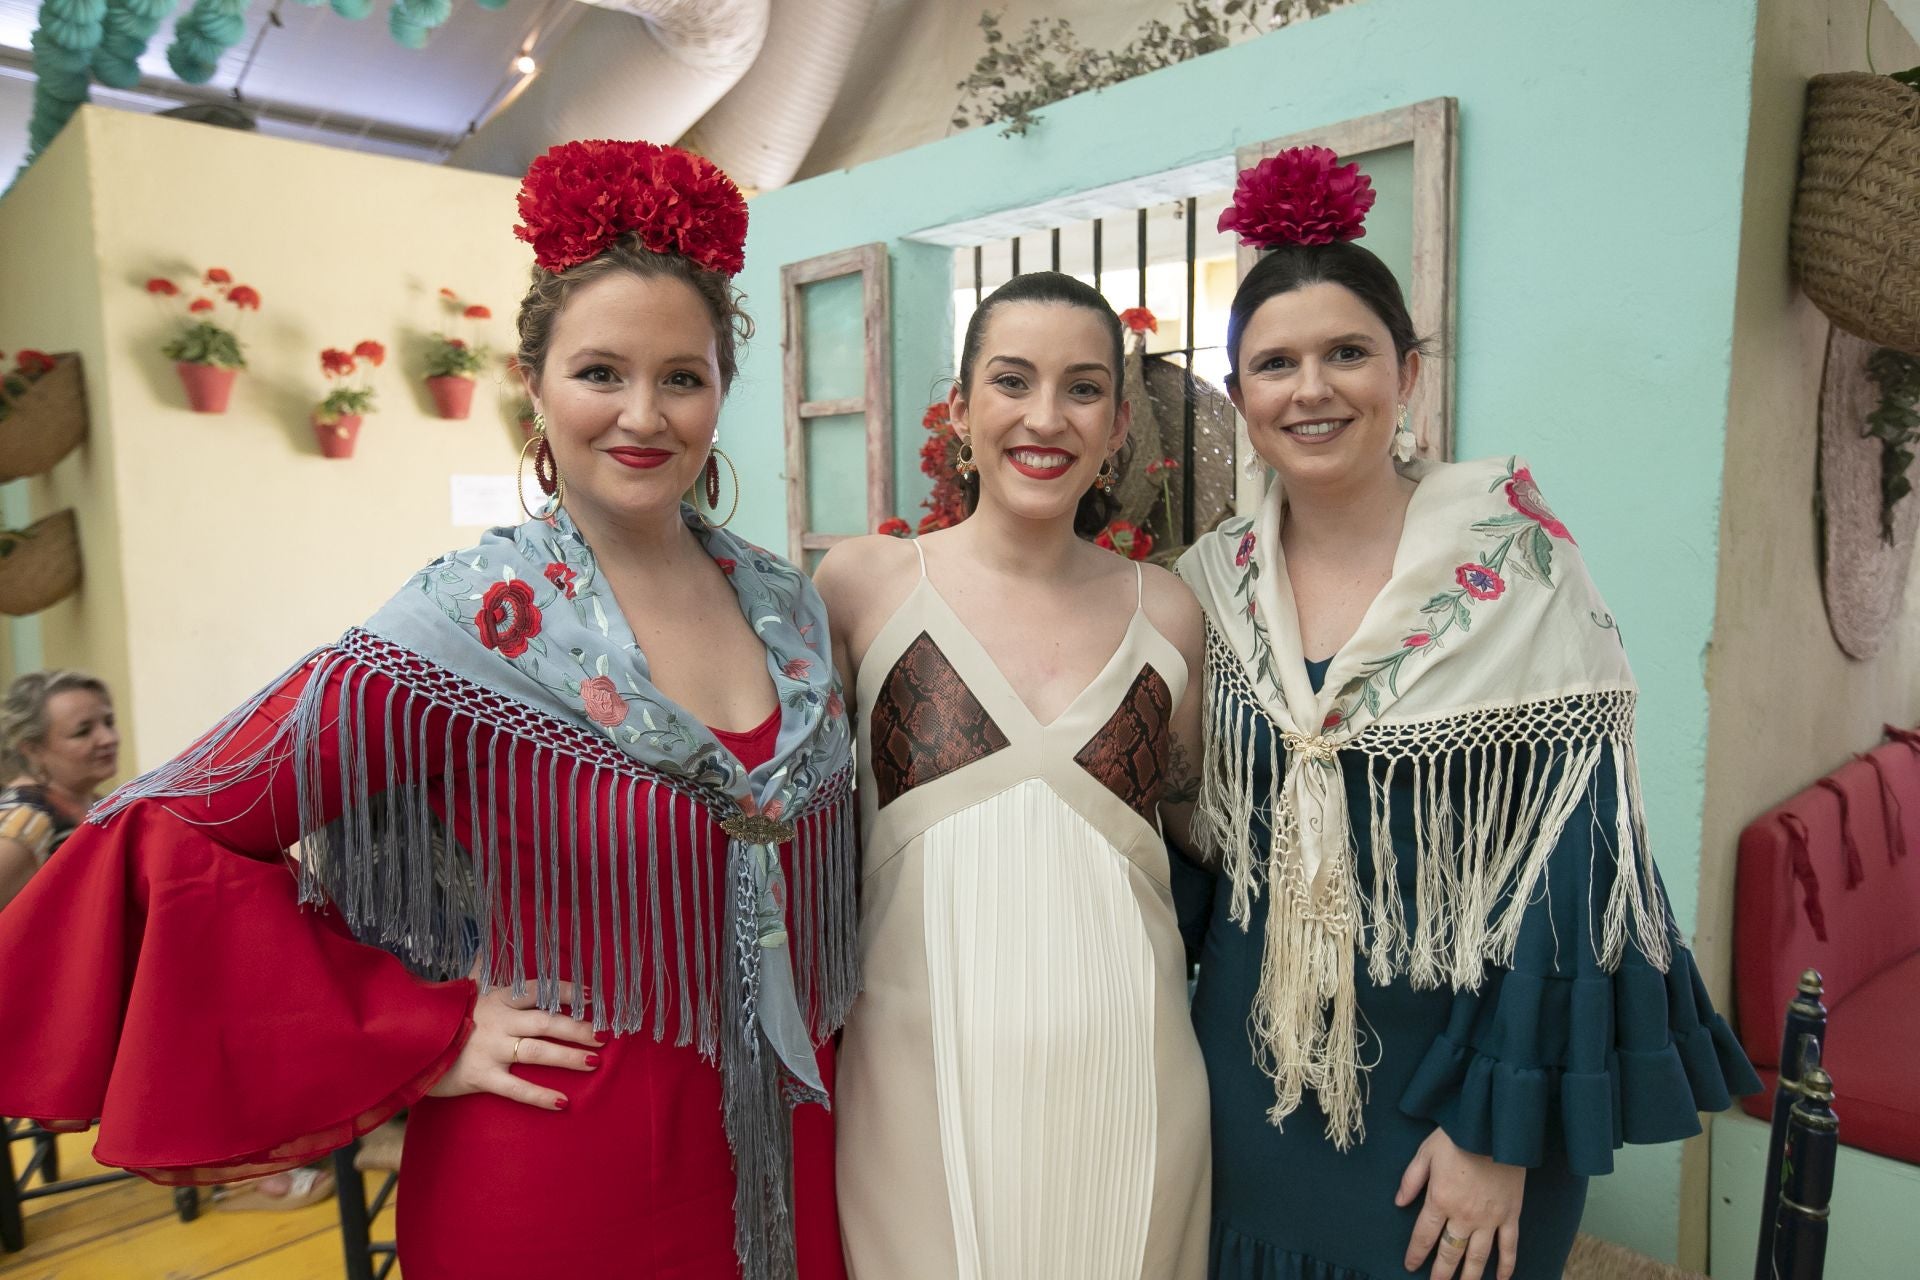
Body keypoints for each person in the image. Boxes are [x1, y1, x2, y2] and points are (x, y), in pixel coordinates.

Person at [0, 139, 856, 1280]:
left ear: (720, 393)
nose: (642, 414)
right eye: (600, 372)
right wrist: (418, 1029)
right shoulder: (464, 625)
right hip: (560, 1170)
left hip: (793, 1160)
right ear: (534, 386)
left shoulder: (792, 608)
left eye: (681, 377)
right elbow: (174, 826)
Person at [1170, 147, 1759, 1280]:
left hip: (1455, 1096)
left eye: (1348, 352)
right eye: (1275, 362)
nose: (1313, 387)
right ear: (1238, 394)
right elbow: (1192, 844)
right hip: (1249, 1079)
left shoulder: (1519, 568)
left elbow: (1581, 870)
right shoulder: (1210, 583)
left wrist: (1504, 1127)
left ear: (1410, 371)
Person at [816, 271, 1211, 1279]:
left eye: (1083, 388)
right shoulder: (861, 585)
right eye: (1012, 380)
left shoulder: (1167, 612)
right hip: (914, 1088)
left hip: (1130, 1077)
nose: (1046, 417)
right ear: (959, 407)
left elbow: (1191, 836)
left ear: (1120, 422)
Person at [0, 670, 118, 911]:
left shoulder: (93, 802)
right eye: (83, 732)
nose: (108, 738)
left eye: (108, 722)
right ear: (33, 749)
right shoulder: (27, 820)